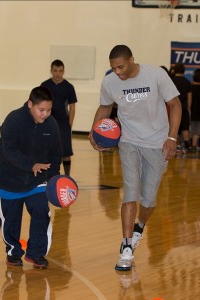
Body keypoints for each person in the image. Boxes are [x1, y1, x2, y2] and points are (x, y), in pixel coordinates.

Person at [88, 45, 182, 271]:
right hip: (128, 140)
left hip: (157, 142)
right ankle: (127, 246)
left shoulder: (156, 75)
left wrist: (172, 137)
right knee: (130, 192)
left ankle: (139, 227)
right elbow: (105, 106)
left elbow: (175, 104)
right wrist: (94, 130)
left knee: (148, 200)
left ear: (131, 60)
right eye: (113, 68)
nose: (117, 72)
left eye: (120, 66)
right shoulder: (110, 81)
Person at [0, 86, 63, 268]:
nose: (45, 114)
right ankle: (13, 251)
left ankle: (36, 253)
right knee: (10, 220)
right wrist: (31, 165)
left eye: (49, 110)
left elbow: (55, 155)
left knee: (41, 211)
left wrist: (55, 180)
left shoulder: (51, 124)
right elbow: (9, 151)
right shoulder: (13, 120)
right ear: (30, 104)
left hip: (37, 181)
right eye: (41, 110)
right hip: (9, 180)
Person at [41, 60, 77, 176]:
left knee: (66, 152)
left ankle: (67, 176)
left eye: (60, 71)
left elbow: (72, 107)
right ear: (51, 71)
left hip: (63, 123)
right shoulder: (44, 85)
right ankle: (47, 176)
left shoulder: (69, 87)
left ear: (63, 71)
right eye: (55, 71)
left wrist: (69, 124)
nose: (57, 73)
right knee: (46, 150)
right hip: (47, 122)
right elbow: (39, 104)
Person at [172, 63, 192, 153]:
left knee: (175, 128)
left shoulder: (171, 81)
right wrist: (188, 108)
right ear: (183, 71)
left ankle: (177, 146)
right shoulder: (187, 82)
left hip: (173, 108)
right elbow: (189, 97)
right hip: (184, 108)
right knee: (185, 128)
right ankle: (187, 147)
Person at [190, 68, 200, 152]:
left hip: (191, 110)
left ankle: (192, 145)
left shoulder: (191, 87)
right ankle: (193, 146)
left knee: (192, 128)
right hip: (198, 112)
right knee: (197, 129)